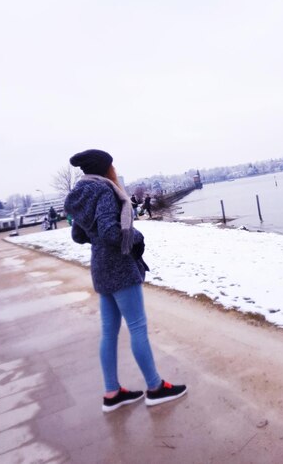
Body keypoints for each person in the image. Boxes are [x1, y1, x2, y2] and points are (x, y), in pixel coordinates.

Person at [64, 149, 187, 412]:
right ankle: (155, 388)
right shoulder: (106, 191)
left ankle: (112, 392)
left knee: (109, 332)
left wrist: (97, 236)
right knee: (137, 328)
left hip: (100, 267)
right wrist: (135, 236)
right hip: (119, 267)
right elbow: (111, 231)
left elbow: (78, 235)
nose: (114, 169)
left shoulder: (81, 195)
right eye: (112, 165)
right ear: (105, 168)